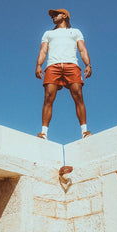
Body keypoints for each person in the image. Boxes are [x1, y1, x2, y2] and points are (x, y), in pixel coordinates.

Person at [35, 8, 92, 140]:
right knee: (48, 97)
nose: (53, 17)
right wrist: (39, 65)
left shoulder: (75, 32)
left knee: (78, 95)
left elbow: (82, 50)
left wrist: (88, 64)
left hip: (71, 65)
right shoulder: (48, 34)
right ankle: (43, 133)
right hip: (52, 66)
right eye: (52, 15)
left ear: (65, 16)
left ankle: (84, 132)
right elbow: (43, 51)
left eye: (56, 14)